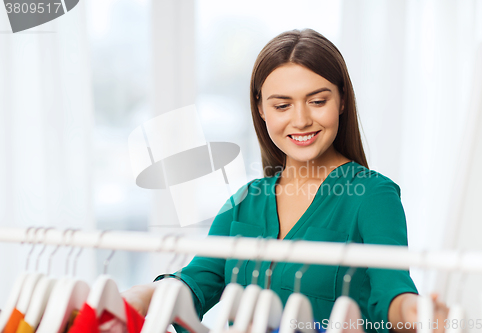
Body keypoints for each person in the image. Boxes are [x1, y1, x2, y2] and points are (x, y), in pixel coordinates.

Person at [122, 28, 449, 333]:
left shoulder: (373, 196)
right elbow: (196, 281)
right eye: (282, 105)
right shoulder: (245, 201)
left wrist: (415, 313)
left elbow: (391, 291)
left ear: (342, 101)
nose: (302, 120)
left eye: (318, 101)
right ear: (261, 109)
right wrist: (143, 295)